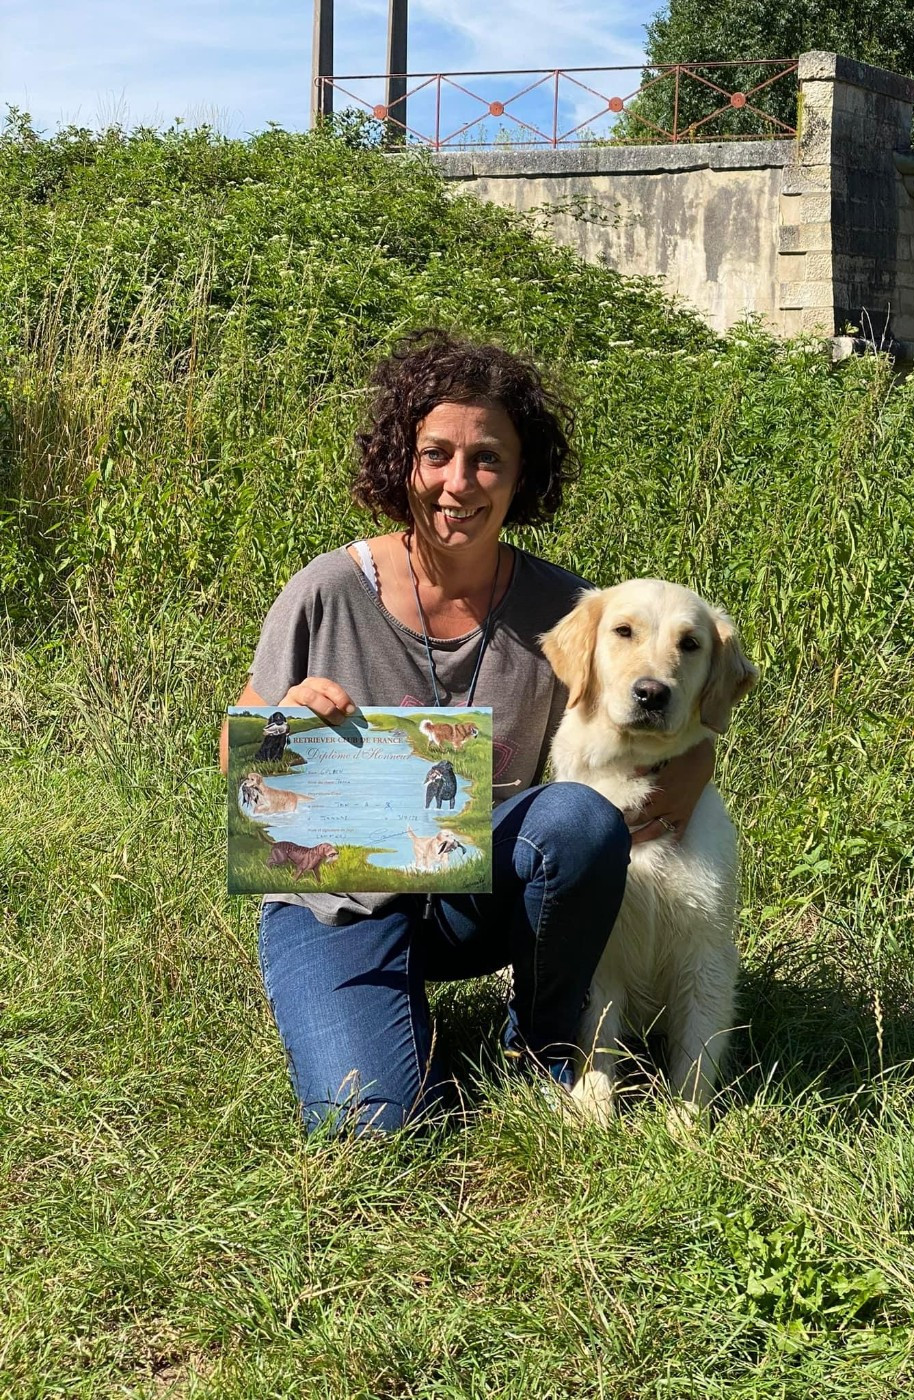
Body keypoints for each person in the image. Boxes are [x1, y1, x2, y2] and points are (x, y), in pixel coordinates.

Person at [220, 330, 714, 1135]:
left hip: (479, 889)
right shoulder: (327, 591)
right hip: (337, 897)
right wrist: (282, 729)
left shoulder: (570, 612)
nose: (459, 483)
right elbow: (241, 768)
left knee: (578, 822)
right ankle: (391, 1041)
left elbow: (658, 710)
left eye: (487, 458)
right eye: (436, 454)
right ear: (401, 463)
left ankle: (544, 1041)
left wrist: (697, 761)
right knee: (373, 1127)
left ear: (524, 477)